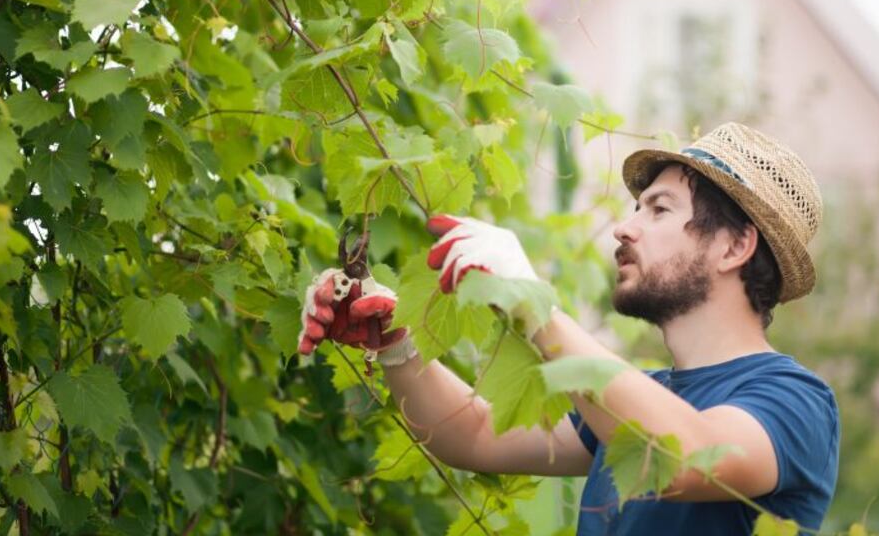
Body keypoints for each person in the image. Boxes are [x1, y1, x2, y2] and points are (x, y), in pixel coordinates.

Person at [298, 122, 840, 534]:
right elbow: (477, 437)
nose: (624, 229)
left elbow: (682, 458)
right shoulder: (640, 396)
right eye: (635, 208)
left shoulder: (796, 403)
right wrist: (396, 342)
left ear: (734, 246)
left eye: (658, 209)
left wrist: (536, 308)